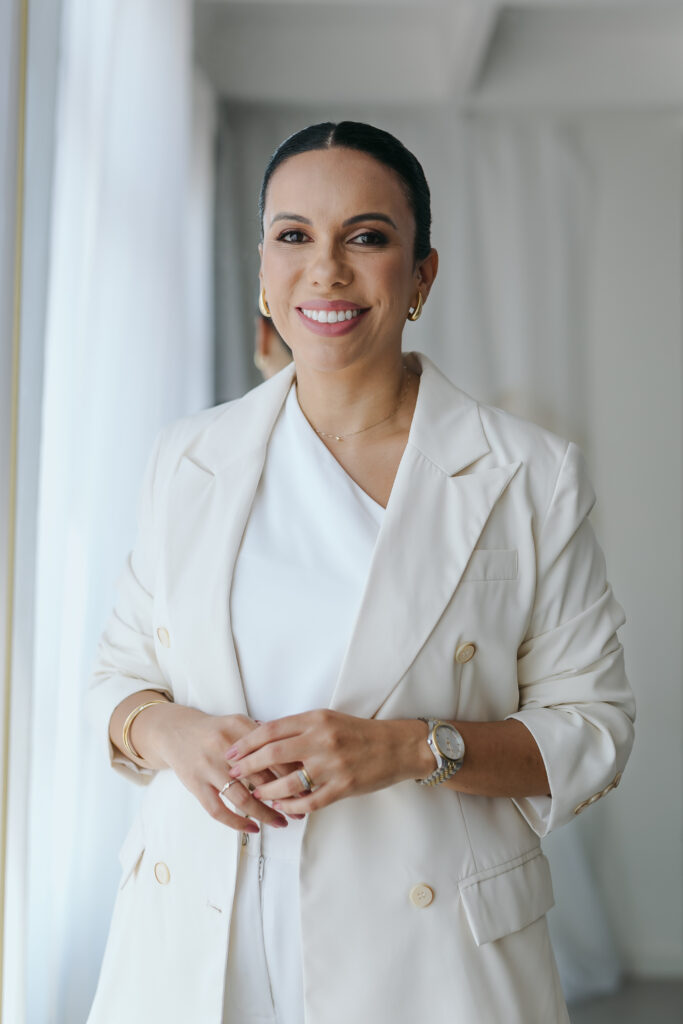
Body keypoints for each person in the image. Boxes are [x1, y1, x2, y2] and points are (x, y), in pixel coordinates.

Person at [86, 122, 635, 1024]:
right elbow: (117, 675)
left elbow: (595, 728)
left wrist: (409, 748)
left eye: (366, 237)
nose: (326, 270)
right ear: (262, 270)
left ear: (420, 276)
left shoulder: (527, 474)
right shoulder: (185, 458)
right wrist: (172, 733)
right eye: (294, 235)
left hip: (427, 955)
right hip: (195, 939)